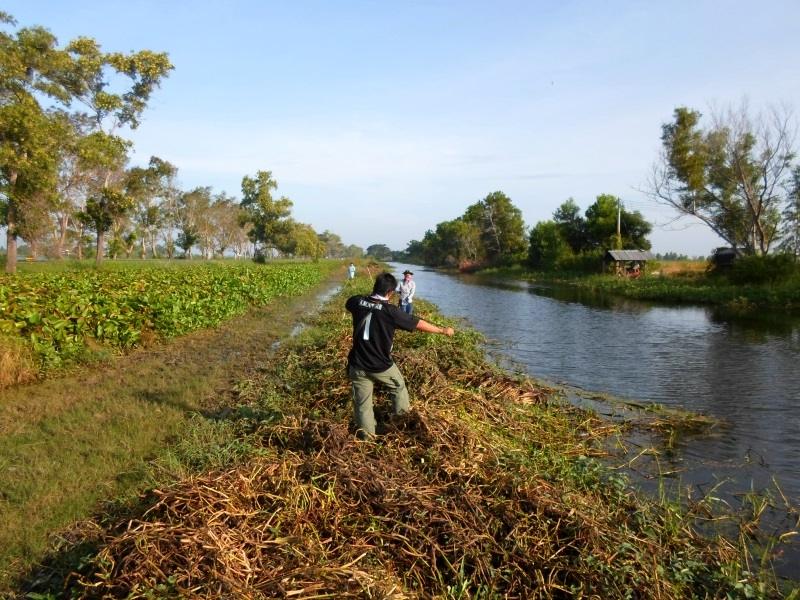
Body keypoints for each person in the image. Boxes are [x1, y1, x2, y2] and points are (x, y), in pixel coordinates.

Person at [345, 272, 454, 438]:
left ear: (375, 287)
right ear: (390, 292)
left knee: (362, 404)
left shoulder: (356, 301)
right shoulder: (391, 312)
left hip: (357, 364)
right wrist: (442, 330)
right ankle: (400, 424)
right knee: (398, 387)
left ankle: (367, 440)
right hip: (380, 365)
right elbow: (417, 323)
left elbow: (351, 303)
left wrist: (368, 301)